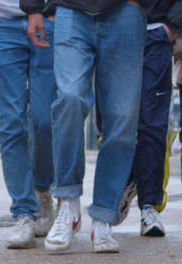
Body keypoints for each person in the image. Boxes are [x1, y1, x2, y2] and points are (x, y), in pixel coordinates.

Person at [25, 0, 147, 253]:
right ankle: (68, 202)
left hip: (126, 11)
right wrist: (34, 7)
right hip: (72, 10)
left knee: (122, 117)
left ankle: (104, 215)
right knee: (69, 98)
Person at [0, 0, 57, 249]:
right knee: (11, 125)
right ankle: (24, 213)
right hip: (0, 23)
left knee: (46, 119)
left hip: (49, 18)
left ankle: (42, 188)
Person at [101, 1, 181, 238]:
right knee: (113, 121)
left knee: (152, 122)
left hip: (156, 30)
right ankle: (121, 186)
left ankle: (149, 206)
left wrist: (172, 25)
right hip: (112, 30)